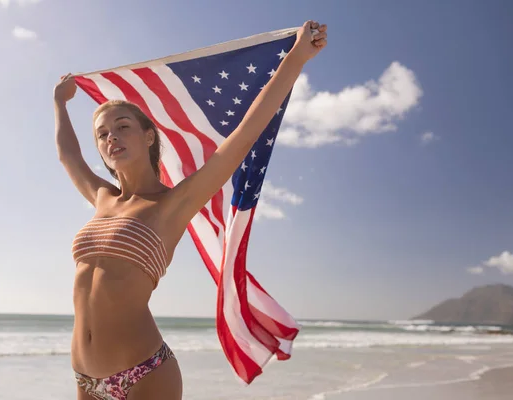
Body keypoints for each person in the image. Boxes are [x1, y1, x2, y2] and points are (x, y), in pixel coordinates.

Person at [53, 20, 327, 400]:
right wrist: (59, 103)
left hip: (144, 373)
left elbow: (243, 136)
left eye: (122, 126)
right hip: (85, 379)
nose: (111, 136)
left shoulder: (173, 203)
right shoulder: (101, 197)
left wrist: (296, 59)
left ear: (148, 136)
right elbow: (68, 156)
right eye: (102, 133)